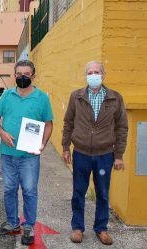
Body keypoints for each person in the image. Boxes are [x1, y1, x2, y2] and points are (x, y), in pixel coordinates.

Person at [62, 61, 128, 245]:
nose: (93, 75)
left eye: (96, 72)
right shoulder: (76, 97)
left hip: (105, 155)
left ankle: (101, 228)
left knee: (103, 193)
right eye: (89, 72)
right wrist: (66, 147)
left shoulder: (115, 98)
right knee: (78, 192)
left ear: (103, 75)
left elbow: (122, 128)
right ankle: (77, 227)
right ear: (86, 76)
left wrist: (119, 155)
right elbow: (68, 123)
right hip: (81, 153)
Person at [0, 59, 53, 246]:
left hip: (30, 157)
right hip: (8, 154)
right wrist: (2, 133)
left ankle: (28, 226)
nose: (22, 77)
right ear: (14, 75)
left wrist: (42, 144)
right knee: (9, 189)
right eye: (19, 74)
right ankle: (12, 223)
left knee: (29, 190)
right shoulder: (7, 96)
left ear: (33, 75)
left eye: (26, 74)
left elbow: (49, 125)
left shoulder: (42, 98)